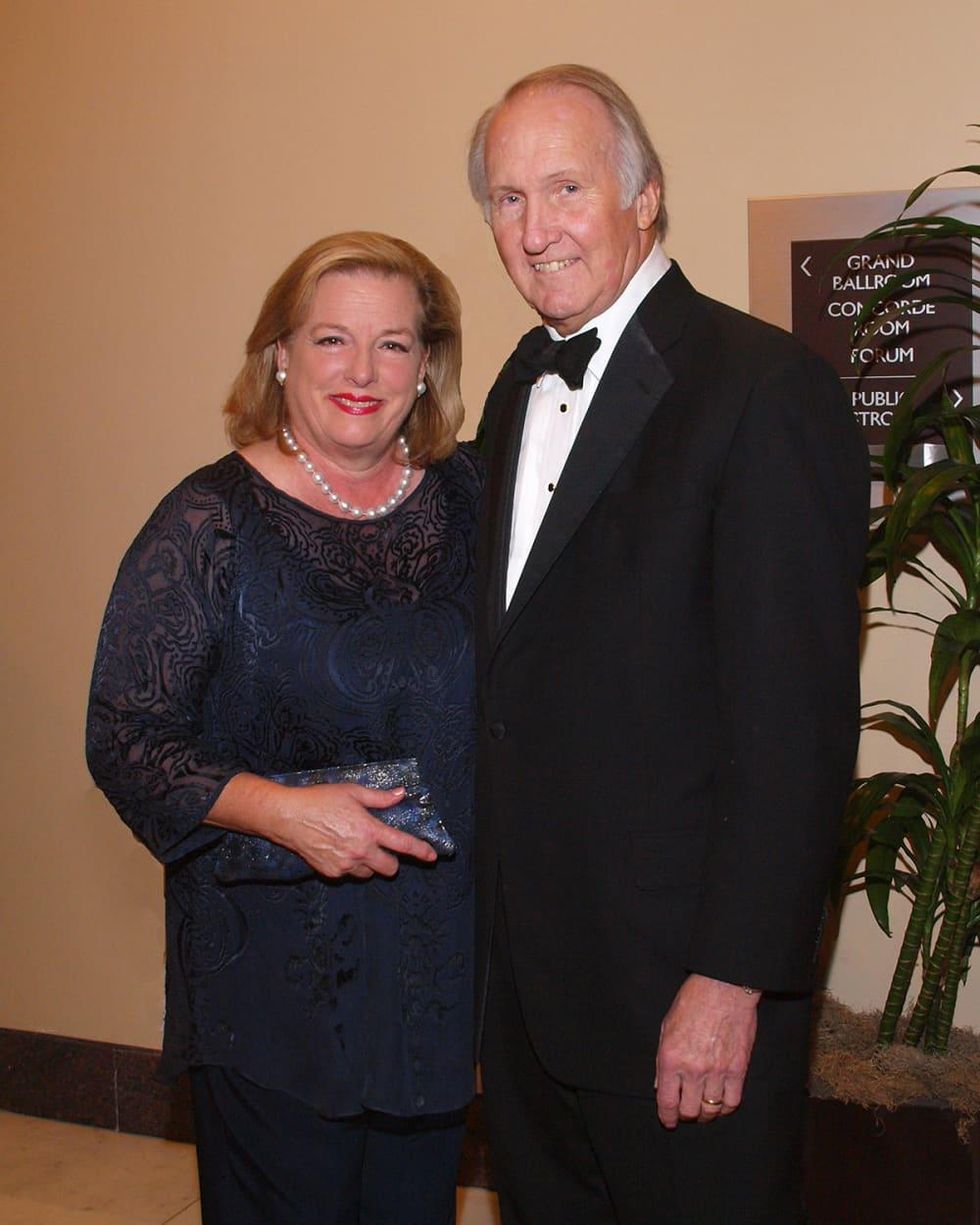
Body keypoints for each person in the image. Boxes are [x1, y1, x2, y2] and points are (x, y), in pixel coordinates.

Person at [467, 65, 869, 1225]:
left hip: (678, 1002)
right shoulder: (511, 385)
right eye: (505, 198)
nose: (534, 230)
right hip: (537, 995)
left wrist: (730, 978)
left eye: (563, 188)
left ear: (643, 198)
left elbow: (790, 725)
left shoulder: (763, 388)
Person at [86, 231, 482, 1225]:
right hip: (272, 970)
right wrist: (285, 813)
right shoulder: (208, 522)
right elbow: (125, 735)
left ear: (426, 364)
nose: (360, 372)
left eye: (392, 345)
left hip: (433, 971)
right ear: (279, 352)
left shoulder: (469, 502)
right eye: (330, 339)